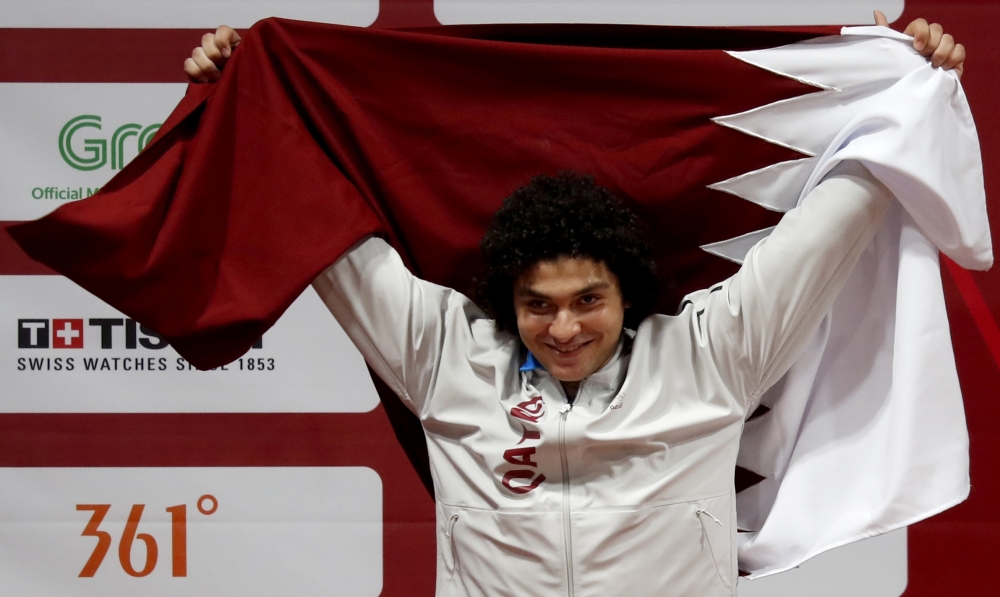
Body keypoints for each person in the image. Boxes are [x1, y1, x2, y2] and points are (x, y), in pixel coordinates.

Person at [181, 14, 968, 597]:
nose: (563, 327)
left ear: (628, 293)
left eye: (588, 299)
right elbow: (321, 231)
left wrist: (917, 86)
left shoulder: (712, 356)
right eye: (537, 303)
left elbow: (842, 211)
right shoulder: (444, 357)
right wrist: (245, 98)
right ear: (507, 301)